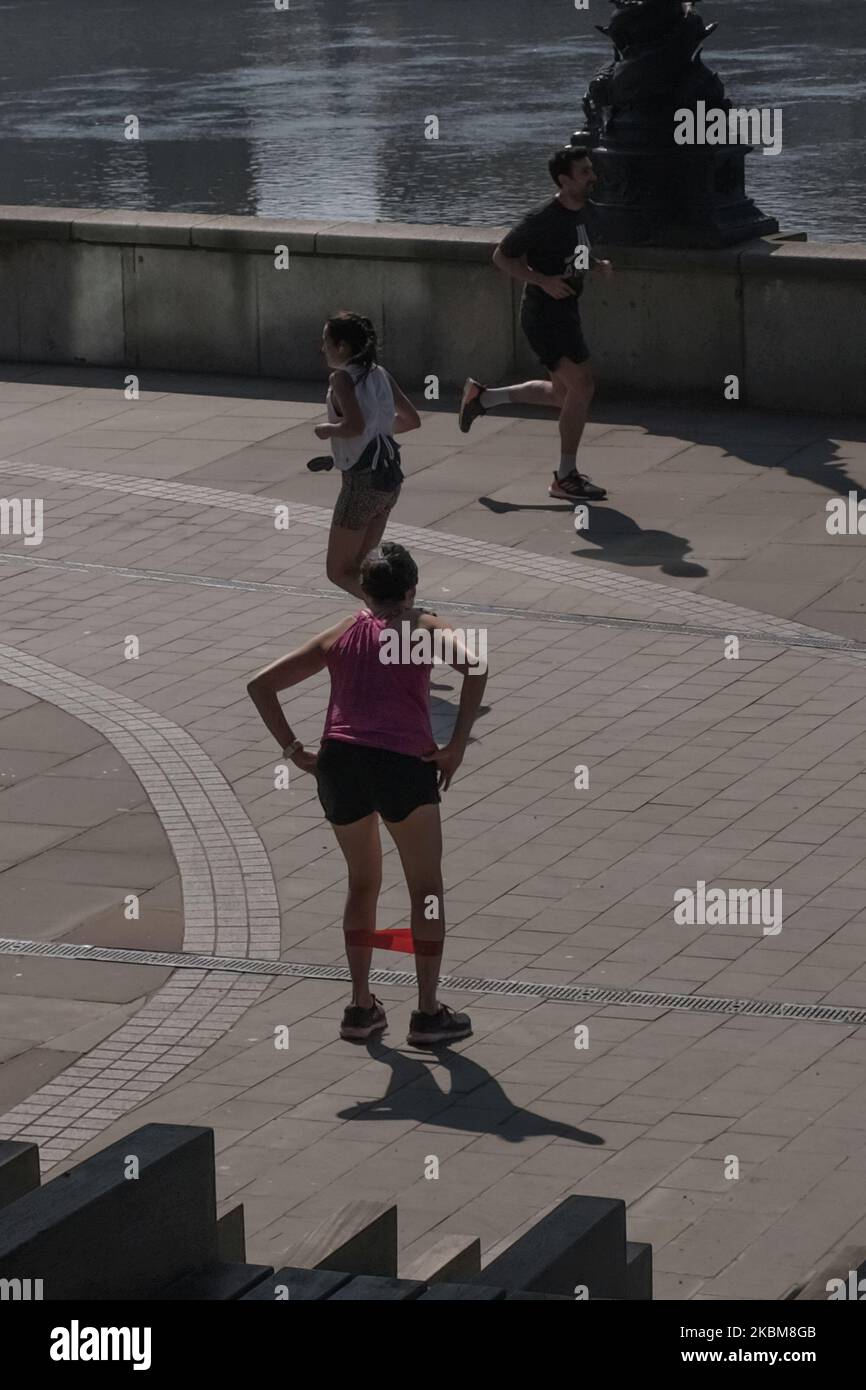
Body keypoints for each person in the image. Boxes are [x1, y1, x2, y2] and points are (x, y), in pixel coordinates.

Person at [246, 542, 487, 1047]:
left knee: (362, 884)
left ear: (366, 590)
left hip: (342, 763)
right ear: (411, 588)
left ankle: (360, 1007)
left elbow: (261, 686)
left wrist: (295, 751)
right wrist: (456, 745)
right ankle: (426, 1013)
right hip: (403, 764)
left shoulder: (342, 632)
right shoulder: (423, 627)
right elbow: (475, 666)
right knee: (425, 889)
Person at [459, 147, 614, 503]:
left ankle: (483, 398)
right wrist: (542, 280)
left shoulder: (588, 210)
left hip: (566, 310)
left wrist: (596, 264)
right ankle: (565, 477)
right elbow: (501, 256)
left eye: (591, 169)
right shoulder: (542, 217)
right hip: (544, 314)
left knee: (563, 394)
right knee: (583, 386)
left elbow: (575, 250)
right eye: (584, 172)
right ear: (564, 180)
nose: (593, 176)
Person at [307, 311, 421, 599]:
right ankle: (389, 615)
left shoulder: (342, 379)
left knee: (339, 572)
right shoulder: (379, 373)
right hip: (388, 481)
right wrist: (377, 431)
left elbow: (354, 426)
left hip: (360, 485)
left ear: (342, 346)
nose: (322, 348)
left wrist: (327, 430)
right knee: (362, 569)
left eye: (326, 341)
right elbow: (411, 420)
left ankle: (398, 610)